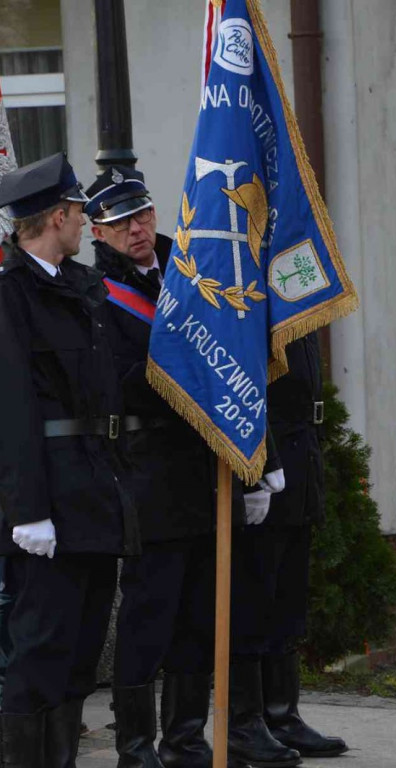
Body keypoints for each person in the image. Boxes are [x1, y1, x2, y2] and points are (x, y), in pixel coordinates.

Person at [87, 165, 281, 768]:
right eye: (122, 223)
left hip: (206, 466)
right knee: (149, 615)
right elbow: (120, 380)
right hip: (147, 469)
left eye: (143, 216)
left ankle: (186, 737)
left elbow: (238, 362)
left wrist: (254, 465)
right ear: (98, 230)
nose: (138, 231)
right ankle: (137, 744)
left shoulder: (194, 271)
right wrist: (186, 373)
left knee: (201, 612)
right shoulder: (95, 291)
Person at [0, 152, 140, 764]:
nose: (86, 222)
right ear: (57, 216)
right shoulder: (12, 296)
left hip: (94, 493)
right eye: (80, 212)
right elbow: (13, 412)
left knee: (82, 651)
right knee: (39, 653)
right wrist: (27, 509)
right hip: (47, 504)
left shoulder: (82, 288)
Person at [228, 332, 347, 766]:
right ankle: (244, 721)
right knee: (254, 597)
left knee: (287, 599)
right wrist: (255, 470)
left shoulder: (298, 304)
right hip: (268, 456)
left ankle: (282, 713)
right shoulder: (253, 295)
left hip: (300, 457)